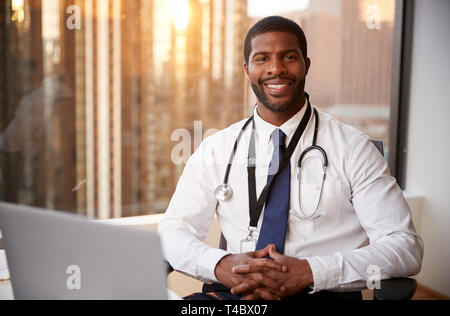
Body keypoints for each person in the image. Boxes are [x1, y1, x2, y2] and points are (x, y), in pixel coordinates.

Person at [158, 16, 423, 300]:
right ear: (247, 70)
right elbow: (172, 233)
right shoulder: (216, 148)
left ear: (306, 65)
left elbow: (404, 247)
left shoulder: (354, 148)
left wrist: (311, 271)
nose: (276, 68)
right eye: (262, 58)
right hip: (236, 295)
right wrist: (221, 265)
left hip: (321, 292)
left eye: (288, 56)